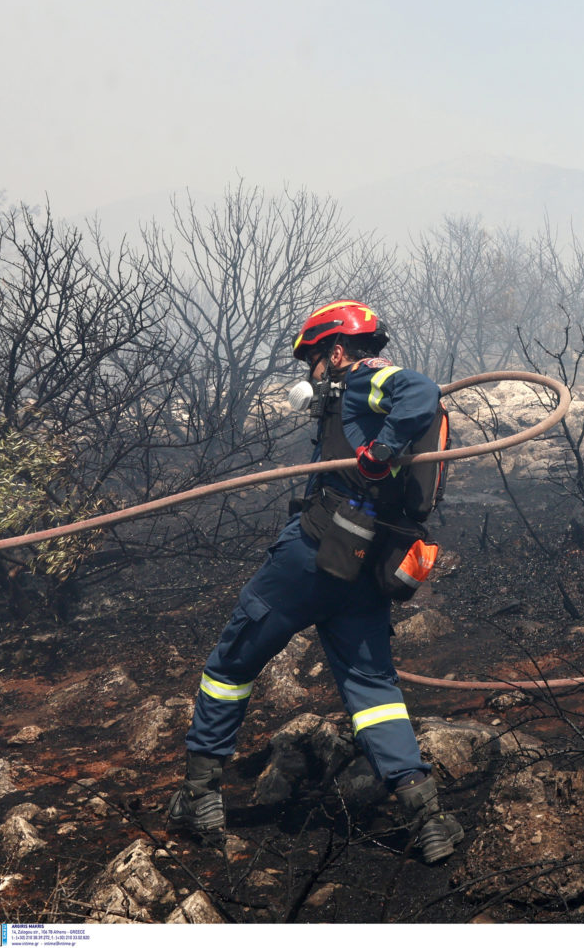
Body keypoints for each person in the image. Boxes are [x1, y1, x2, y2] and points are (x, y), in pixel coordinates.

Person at [166, 300, 465, 865]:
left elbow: (420, 388)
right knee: (373, 692)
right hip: (366, 568)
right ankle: (427, 817)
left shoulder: (367, 379)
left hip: (311, 557)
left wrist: (380, 450)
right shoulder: (364, 395)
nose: (311, 374)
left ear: (336, 351)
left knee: (229, 667)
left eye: (313, 361)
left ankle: (200, 795)